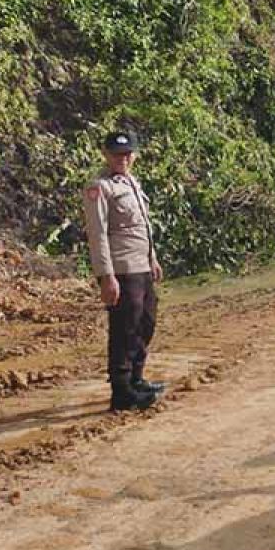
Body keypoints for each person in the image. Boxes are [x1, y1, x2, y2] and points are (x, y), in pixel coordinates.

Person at [82, 131, 166, 412]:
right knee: (124, 329)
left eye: (128, 153)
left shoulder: (131, 182)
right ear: (106, 155)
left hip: (141, 265)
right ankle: (121, 391)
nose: (124, 158)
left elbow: (142, 227)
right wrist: (106, 276)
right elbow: (98, 235)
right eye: (118, 154)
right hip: (121, 269)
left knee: (146, 322)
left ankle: (137, 378)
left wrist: (152, 258)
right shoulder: (100, 188)